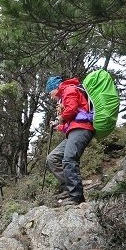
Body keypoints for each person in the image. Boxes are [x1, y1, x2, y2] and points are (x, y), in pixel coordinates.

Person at [45, 75, 95, 206]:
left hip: (82, 129)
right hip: (74, 130)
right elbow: (71, 120)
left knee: (69, 159)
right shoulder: (64, 96)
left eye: (50, 93)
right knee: (52, 158)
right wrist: (59, 126)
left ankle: (77, 197)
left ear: (55, 88)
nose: (51, 97)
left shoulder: (69, 89)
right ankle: (68, 189)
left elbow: (72, 109)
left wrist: (60, 117)